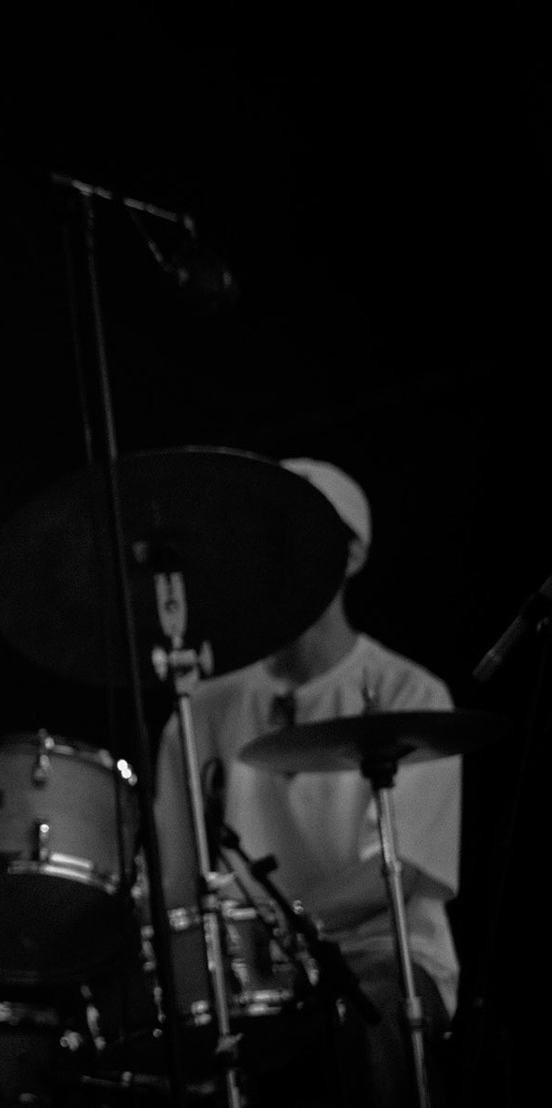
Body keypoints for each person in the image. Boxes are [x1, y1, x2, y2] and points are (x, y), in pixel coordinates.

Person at [150, 457, 460, 1106]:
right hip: (241, 974)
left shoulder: (410, 693)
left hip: (378, 959)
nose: (273, 557)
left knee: (367, 1008)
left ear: (349, 556)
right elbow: (176, 885)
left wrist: (270, 933)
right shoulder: (199, 711)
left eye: (296, 537)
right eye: (263, 541)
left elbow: (397, 876)